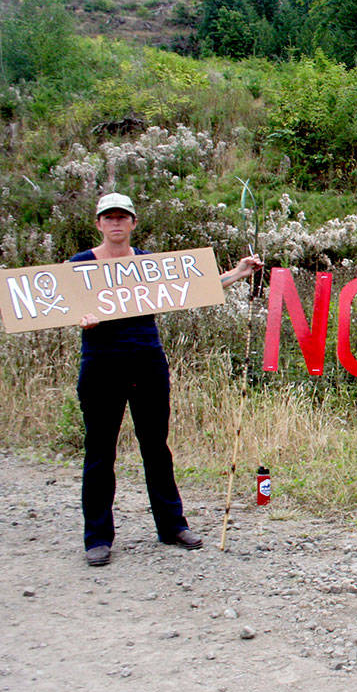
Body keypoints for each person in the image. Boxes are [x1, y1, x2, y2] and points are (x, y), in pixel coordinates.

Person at [74, 192, 263, 566]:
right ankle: (97, 537)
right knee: (99, 452)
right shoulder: (79, 265)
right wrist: (81, 317)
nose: (115, 223)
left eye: (122, 217)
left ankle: (172, 525)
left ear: (132, 223)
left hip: (147, 362)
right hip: (101, 365)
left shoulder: (147, 264)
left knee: (156, 447)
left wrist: (238, 273)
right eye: (108, 217)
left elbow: (192, 287)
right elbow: (57, 304)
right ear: (98, 223)